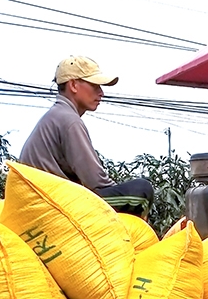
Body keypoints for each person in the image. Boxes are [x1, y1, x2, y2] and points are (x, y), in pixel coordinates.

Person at [19, 56, 154, 218]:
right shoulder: (69, 120)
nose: (101, 92)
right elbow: (97, 184)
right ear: (74, 85)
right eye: (95, 85)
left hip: (42, 200)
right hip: (55, 204)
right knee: (141, 191)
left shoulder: (57, 115)